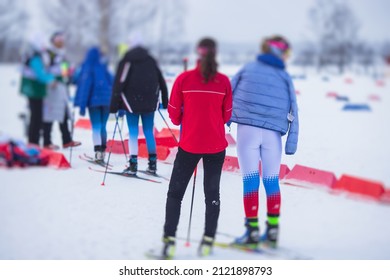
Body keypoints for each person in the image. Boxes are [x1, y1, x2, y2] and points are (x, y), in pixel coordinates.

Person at [160, 37, 232, 259]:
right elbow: (227, 114)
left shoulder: (183, 79)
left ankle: (169, 242)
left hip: (190, 144)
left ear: (197, 54)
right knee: (212, 194)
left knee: (175, 193)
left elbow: (173, 114)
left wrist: (186, 117)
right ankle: (208, 240)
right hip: (216, 145)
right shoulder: (223, 81)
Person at [229, 35, 299, 248]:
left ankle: (251, 231)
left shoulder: (248, 68)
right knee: (271, 181)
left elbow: (228, 93)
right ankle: (272, 231)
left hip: (247, 130)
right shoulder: (284, 77)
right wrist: (291, 142)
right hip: (273, 135)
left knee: (250, 179)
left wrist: (221, 121)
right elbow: (294, 109)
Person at [110, 33, 168, 175]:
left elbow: (119, 83)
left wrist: (114, 104)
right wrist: (165, 100)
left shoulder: (127, 60)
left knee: (133, 133)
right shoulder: (151, 59)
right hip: (149, 102)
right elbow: (161, 80)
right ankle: (152, 165)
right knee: (149, 132)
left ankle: (133, 165)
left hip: (131, 102)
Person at [42, 31, 81, 150]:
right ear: (53, 41)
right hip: (51, 88)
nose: (61, 42)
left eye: (62, 40)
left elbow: (64, 71)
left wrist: (69, 72)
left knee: (63, 112)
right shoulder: (49, 53)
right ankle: (47, 142)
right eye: (58, 40)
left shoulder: (62, 54)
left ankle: (67, 140)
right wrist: (53, 78)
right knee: (49, 114)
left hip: (61, 88)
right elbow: (45, 69)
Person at [74, 47, 113, 163]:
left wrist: (82, 106)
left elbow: (85, 87)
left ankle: (98, 152)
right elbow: (112, 82)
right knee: (103, 126)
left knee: (96, 127)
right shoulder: (104, 67)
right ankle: (103, 151)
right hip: (106, 101)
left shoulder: (88, 67)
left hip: (93, 102)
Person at [20, 31, 56, 148]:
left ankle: (34, 141)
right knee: (36, 117)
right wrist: (51, 79)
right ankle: (33, 142)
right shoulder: (35, 57)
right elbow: (40, 75)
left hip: (35, 90)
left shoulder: (33, 55)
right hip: (34, 91)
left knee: (36, 116)